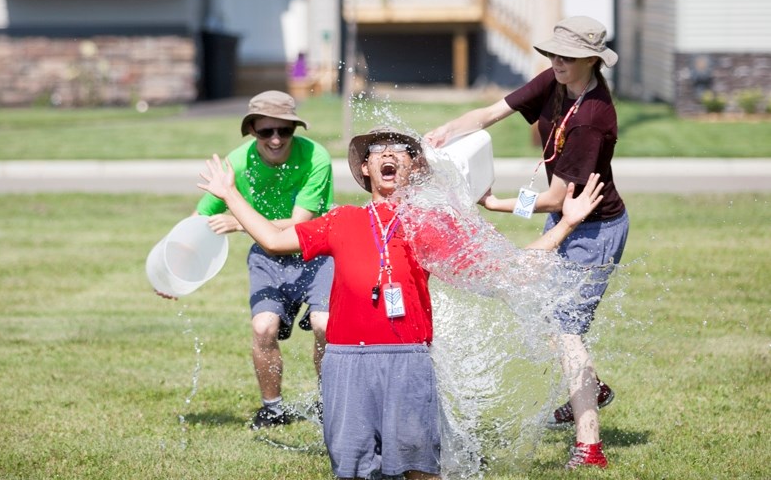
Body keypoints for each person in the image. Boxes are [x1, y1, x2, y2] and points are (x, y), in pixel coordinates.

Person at [196, 126, 605, 479]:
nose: (389, 155)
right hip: (345, 361)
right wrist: (230, 194)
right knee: (352, 469)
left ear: (414, 169)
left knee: (420, 469)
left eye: (401, 151)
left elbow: (510, 273)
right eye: (378, 151)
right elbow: (271, 238)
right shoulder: (341, 219)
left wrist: (567, 222)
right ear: (365, 169)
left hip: (407, 361)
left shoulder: (426, 225)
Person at [425, 16, 629, 469]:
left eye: (567, 55)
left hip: (594, 228)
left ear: (591, 60)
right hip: (567, 218)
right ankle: (589, 390)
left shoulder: (592, 119)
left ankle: (589, 447)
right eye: (554, 52)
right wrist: (446, 132)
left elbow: (557, 197)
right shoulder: (556, 81)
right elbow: (488, 113)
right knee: (540, 307)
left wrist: (497, 204)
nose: (556, 60)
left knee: (564, 329)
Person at [159, 90, 334, 430]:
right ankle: (272, 407)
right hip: (267, 257)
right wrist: (173, 272)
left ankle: (331, 402)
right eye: (266, 131)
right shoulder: (236, 163)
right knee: (263, 327)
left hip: (316, 251)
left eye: (285, 130)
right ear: (252, 130)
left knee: (324, 326)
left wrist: (240, 222)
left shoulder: (316, 157)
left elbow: (301, 225)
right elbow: (199, 221)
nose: (276, 139)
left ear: (295, 130)